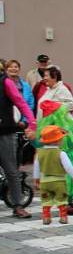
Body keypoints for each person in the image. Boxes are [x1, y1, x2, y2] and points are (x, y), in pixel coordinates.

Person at [1, 61, 36, 218]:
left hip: (5, 132)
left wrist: (32, 124)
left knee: (11, 170)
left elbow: (21, 102)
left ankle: (18, 205)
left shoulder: (5, 81)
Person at [32, 125, 73, 225]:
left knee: (46, 200)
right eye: (60, 139)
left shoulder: (39, 153)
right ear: (56, 141)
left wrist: (36, 179)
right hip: (59, 181)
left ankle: (46, 217)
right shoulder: (61, 153)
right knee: (62, 199)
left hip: (45, 181)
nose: (62, 140)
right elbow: (68, 166)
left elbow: (36, 168)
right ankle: (63, 217)